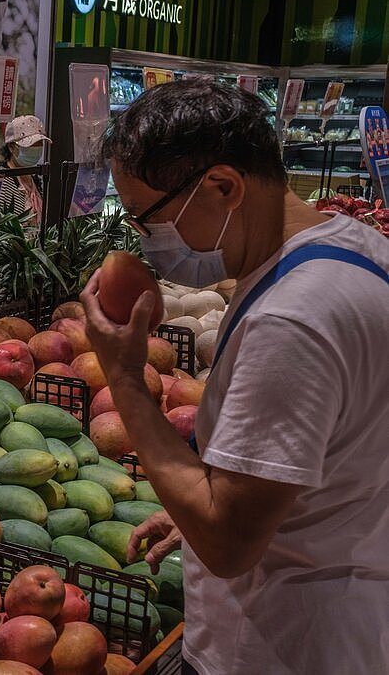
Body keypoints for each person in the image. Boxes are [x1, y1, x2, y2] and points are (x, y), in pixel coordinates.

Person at [79, 80, 389, 674]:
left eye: (148, 220)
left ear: (223, 188)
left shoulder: (293, 319)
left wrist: (123, 376)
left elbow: (226, 545)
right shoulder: (358, 248)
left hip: (282, 646)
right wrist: (229, 489)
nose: (146, 242)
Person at [0, 114, 49, 226]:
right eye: (30, 144)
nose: (36, 148)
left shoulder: (35, 178)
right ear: (11, 147)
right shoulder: (2, 182)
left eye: (39, 143)